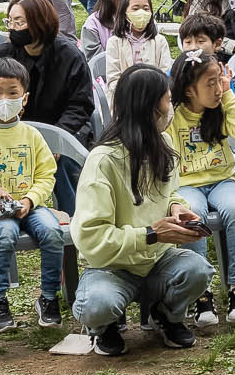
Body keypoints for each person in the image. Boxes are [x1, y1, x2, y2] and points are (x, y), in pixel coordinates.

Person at [71, 66, 215, 352]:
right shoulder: (103, 161)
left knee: (199, 270)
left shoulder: (165, 143)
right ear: (149, 107)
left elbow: (171, 191)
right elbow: (90, 238)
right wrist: (150, 234)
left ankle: (165, 315)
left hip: (157, 261)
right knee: (97, 305)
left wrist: (176, 207)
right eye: (167, 99)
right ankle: (105, 326)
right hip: (111, 267)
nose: (171, 106)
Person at [0, 56, 67, 332]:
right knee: (6, 232)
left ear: (24, 98)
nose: (4, 99)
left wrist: (30, 200)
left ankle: (48, 298)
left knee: (51, 231)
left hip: (30, 206)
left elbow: (47, 174)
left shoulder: (31, 135)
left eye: (13, 93)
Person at [168, 49, 235, 328]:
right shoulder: (174, 116)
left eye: (220, 80)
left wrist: (228, 94)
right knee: (192, 213)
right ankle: (201, 292)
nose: (217, 89)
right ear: (189, 90)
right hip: (187, 185)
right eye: (210, 84)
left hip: (222, 180)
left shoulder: (222, 107)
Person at [0, 0, 96, 148]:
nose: (12, 28)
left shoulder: (70, 57)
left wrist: (56, 139)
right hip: (9, 133)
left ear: (40, 23)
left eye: (19, 22)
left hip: (63, 131)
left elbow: (80, 106)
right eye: (9, 21)